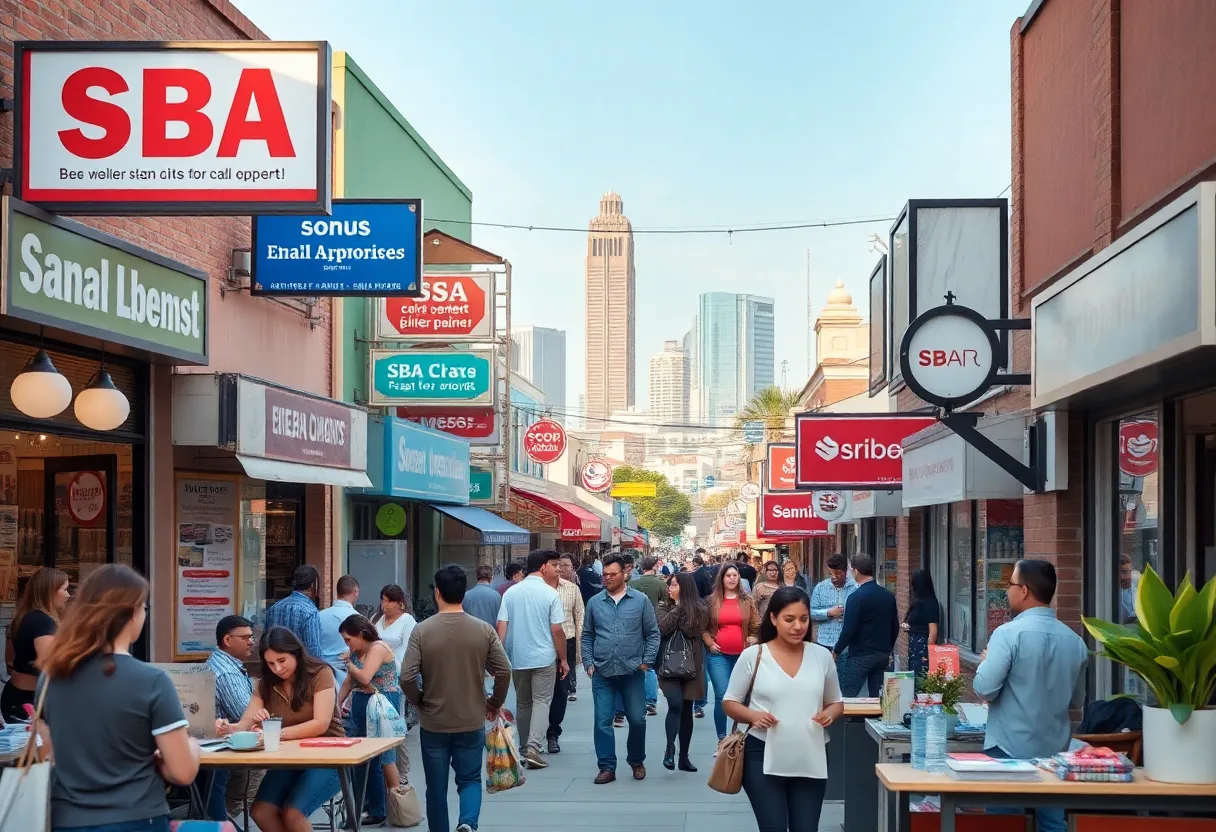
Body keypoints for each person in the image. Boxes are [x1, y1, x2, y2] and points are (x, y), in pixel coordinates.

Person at [37, 564, 201, 832]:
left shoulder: (50, 678)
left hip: (67, 820)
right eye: (144, 608)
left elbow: (48, 755)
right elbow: (182, 772)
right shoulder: (153, 681)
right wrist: (191, 746)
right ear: (132, 613)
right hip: (137, 818)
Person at [974, 560, 1087, 832]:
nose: (1007, 591)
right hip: (1054, 752)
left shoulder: (1007, 634)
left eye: (1010, 584)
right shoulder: (1075, 641)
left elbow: (984, 688)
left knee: (1005, 824)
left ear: (1024, 590)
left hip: (1008, 750)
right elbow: (1077, 701)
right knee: (1052, 825)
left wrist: (985, 662)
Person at [724, 586, 844, 832]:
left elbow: (836, 702)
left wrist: (829, 714)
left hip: (810, 753)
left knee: (806, 827)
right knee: (773, 827)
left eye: (803, 619)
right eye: (789, 619)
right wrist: (753, 716)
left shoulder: (821, 656)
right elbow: (730, 702)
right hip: (762, 754)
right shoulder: (754, 656)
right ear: (773, 618)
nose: (798, 626)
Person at [404, 565, 512, 832]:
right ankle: (467, 822)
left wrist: (419, 700)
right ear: (463, 593)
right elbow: (504, 670)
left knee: (436, 788)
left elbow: (406, 677)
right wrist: (494, 702)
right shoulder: (483, 630)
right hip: (470, 718)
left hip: (434, 722)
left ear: (437, 593)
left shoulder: (422, 630)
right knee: (470, 780)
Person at [218, 626, 345, 832]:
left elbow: (321, 723)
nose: (277, 668)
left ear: (295, 652)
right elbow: (246, 722)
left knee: (293, 814)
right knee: (260, 811)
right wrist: (228, 728)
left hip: (329, 755)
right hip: (290, 758)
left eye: (281, 661)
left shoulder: (320, 673)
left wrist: (277, 734)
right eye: (270, 663)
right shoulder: (265, 684)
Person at [581, 553, 660, 784]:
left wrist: (646, 661)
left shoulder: (640, 600)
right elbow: (587, 635)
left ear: (625, 573)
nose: (607, 578)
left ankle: (636, 760)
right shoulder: (595, 602)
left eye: (612, 574)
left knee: (637, 719)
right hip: (602, 671)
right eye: (604, 575)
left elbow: (652, 633)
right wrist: (588, 663)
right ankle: (606, 766)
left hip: (633, 670)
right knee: (602, 720)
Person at [497, 549, 567, 770]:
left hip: (518, 657)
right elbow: (557, 630)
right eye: (554, 565)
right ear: (543, 567)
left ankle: (525, 748)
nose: (557, 569)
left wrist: (499, 656)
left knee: (523, 702)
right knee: (542, 701)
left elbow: (501, 625)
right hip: (544, 656)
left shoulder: (511, 593)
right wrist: (563, 658)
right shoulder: (550, 594)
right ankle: (534, 747)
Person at [337, 614, 403, 828]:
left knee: (380, 757)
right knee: (362, 757)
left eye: (349, 639)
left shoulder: (377, 647)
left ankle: (380, 808)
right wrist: (336, 704)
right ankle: (365, 804)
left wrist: (348, 663)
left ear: (361, 634)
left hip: (381, 703)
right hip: (362, 702)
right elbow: (350, 681)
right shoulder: (358, 651)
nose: (347, 644)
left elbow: (364, 677)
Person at [205, 614, 258, 823]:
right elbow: (246, 714)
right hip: (224, 749)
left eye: (251, 636)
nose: (251, 641)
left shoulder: (225, 663)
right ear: (227, 640)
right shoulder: (226, 672)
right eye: (245, 637)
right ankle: (228, 817)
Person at [2, 566, 69, 722]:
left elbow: (9, 659)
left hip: (16, 694)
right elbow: (51, 665)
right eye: (64, 589)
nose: (68, 594)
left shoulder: (23, 617)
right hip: (30, 701)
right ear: (50, 592)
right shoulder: (43, 621)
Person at [703, 563, 761, 742]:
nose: (732, 578)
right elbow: (702, 627)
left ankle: (738, 736)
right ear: (722, 578)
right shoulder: (711, 601)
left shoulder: (747, 600)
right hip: (718, 656)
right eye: (728, 575)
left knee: (741, 696)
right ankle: (721, 738)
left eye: (735, 575)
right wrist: (710, 643)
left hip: (743, 656)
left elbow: (757, 625)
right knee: (722, 695)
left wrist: (754, 638)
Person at [657, 571, 707, 773]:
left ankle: (683, 757)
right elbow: (663, 628)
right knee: (675, 703)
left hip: (691, 665)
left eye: (675, 585)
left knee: (687, 709)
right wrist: (678, 609)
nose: (670, 588)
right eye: (670, 585)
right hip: (667, 664)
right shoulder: (662, 607)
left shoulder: (701, 609)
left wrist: (683, 608)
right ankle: (670, 748)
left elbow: (691, 631)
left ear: (685, 588)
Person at [832, 554, 899, 697]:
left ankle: (850, 720)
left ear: (855, 571)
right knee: (878, 698)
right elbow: (895, 627)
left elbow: (849, 629)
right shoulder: (888, 596)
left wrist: (837, 651)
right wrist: (888, 649)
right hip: (882, 655)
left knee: (847, 695)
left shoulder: (855, 597)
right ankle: (875, 719)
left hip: (861, 655)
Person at [545, 552, 585, 753]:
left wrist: (578, 651)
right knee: (540, 692)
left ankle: (553, 733)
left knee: (561, 691)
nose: (560, 569)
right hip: (542, 643)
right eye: (556, 565)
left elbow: (580, 619)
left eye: (563, 565)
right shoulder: (538, 589)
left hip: (566, 643)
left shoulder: (572, 589)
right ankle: (535, 734)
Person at [629, 555, 667, 715]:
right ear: (655, 566)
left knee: (632, 664)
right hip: (653, 626)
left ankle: (633, 699)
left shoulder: (631, 583)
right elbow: (666, 605)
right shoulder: (661, 584)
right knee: (650, 666)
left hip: (632, 626)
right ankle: (651, 701)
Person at [263, 564, 323, 659]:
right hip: (301, 670)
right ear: (312, 585)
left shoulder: (273, 608)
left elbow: (265, 642)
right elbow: (314, 651)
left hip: (275, 667)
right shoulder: (310, 613)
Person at [317, 574, 359, 688]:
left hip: (322, 672)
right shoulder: (358, 618)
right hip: (348, 673)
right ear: (356, 591)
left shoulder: (319, 616)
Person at [809, 554, 856, 652]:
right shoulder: (820, 588)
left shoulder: (855, 588)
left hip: (848, 645)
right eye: (830, 574)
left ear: (845, 571)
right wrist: (829, 613)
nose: (834, 577)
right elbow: (811, 613)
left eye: (838, 573)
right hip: (824, 642)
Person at [900, 569, 940, 676]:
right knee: (914, 676)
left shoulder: (930, 603)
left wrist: (928, 654)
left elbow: (933, 631)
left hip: (922, 646)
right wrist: (907, 626)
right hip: (914, 644)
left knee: (920, 677)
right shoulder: (917, 601)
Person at [374, 583, 417, 672]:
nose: (384, 604)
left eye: (388, 601)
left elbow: (409, 651)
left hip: (397, 671)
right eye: (383, 600)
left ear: (399, 603)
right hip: (375, 669)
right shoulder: (376, 618)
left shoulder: (408, 621)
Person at [1119, 554, 1140, 623]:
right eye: (1118, 572)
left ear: (1131, 570)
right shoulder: (1107, 591)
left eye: (1125, 572)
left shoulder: (1140, 586)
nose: (1122, 577)